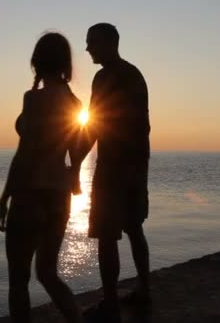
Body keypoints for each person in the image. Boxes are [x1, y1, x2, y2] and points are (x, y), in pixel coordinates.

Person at [0, 32, 84, 323]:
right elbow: (79, 146)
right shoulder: (74, 102)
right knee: (47, 274)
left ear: (36, 61)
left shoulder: (34, 99)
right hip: (59, 197)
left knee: (18, 280)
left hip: (30, 194)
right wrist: (74, 173)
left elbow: (24, 154)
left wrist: (5, 197)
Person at [80, 23, 151, 322]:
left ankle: (110, 303)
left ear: (110, 42)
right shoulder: (134, 74)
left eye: (91, 42)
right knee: (134, 228)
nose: (87, 49)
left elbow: (95, 124)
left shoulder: (106, 77)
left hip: (114, 168)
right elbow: (142, 126)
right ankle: (144, 291)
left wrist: (73, 161)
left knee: (107, 236)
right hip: (135, 165)